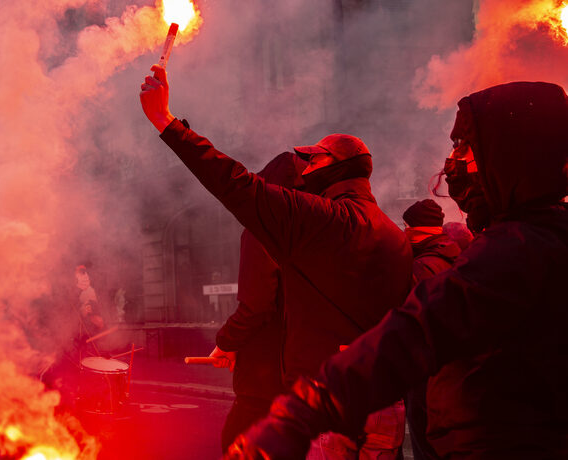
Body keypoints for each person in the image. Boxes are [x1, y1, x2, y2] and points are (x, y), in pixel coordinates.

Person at [223, 81, 568, 459]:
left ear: (510, 154)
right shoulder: (535, 239)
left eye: (465, 146)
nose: (452, 163)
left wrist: (298, 414)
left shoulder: (517, 250)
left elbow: (411, 334)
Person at [140, 65, 413, 458]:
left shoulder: (325, 221)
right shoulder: (393, 235)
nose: (304, 169)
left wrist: (166, 122)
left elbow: (236, 184)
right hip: (382, 402)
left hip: (331, 402)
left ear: (333, 167)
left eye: (311, 160)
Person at [212, 152, 307, 452]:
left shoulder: (264, 228)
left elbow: (257, 304)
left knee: (238, 447)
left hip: (266, 381)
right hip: (311, 376)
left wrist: (226, 342)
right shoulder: (324, 226)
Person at [402, 199, 461, 460]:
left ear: (417, 229)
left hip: (425, 373)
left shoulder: (422, 266)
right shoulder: (453, 255)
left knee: (426, 445)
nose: (403, 231)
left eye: (406, 226)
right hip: (449, 370)